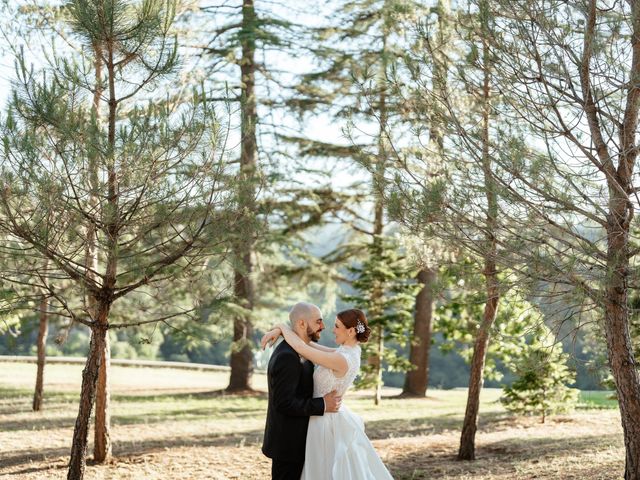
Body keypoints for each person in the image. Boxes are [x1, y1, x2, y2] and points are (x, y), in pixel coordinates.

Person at [261, 308, 394, 480]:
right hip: (320, 417)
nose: (331, 329)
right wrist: (282, 329)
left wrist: (280, 326)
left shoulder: (341, 359)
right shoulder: (348, 352)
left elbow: (302, 347)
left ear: (351, 331)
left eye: (337, 326)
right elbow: (307, 345)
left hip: (324, 421)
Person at [262, 302, 342, 480]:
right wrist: (322, 404)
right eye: (318, 321)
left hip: (302, 440)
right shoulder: (287, 356)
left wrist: (280, 328)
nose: (323, 326)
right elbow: (284, 403)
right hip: (288, 444)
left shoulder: (302, 349)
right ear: (301, 324)